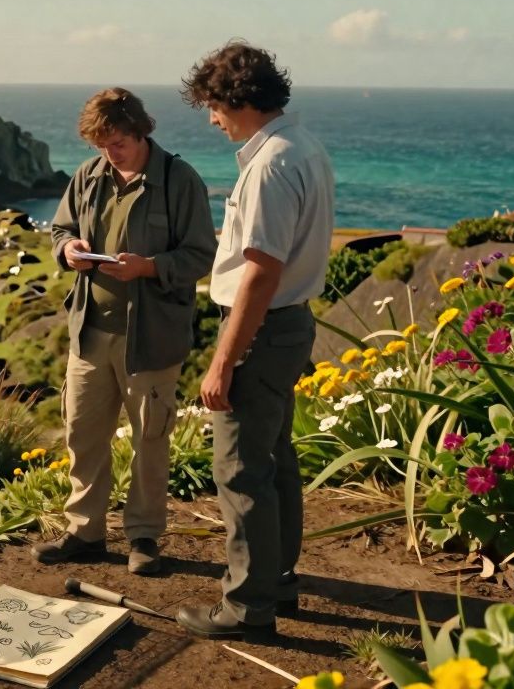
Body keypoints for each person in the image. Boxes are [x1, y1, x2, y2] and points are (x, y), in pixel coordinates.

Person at [174, 42, 335, 638]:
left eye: (212, 107)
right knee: (274, 459)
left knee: (241, 469)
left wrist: (222, 361)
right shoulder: (305, 146)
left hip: (262, 328)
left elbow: (261, 273)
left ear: (233, 99)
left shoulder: (269, 164)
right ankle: (278, 580)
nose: (211, 119)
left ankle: (247, 608)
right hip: (290, 324)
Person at [34, 87, 217, 574]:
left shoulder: (180, 180)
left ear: (140, 131)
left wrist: (149, 268)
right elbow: (59, 230)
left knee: (149, 441)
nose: (108, 153)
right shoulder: (89, 175)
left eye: (117, 143)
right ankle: (85, 532)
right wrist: (68, 249)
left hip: (152, 339)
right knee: (83, 434)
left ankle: (143, 537)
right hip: (90, 330)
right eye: (101, 145)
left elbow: (201, 254)